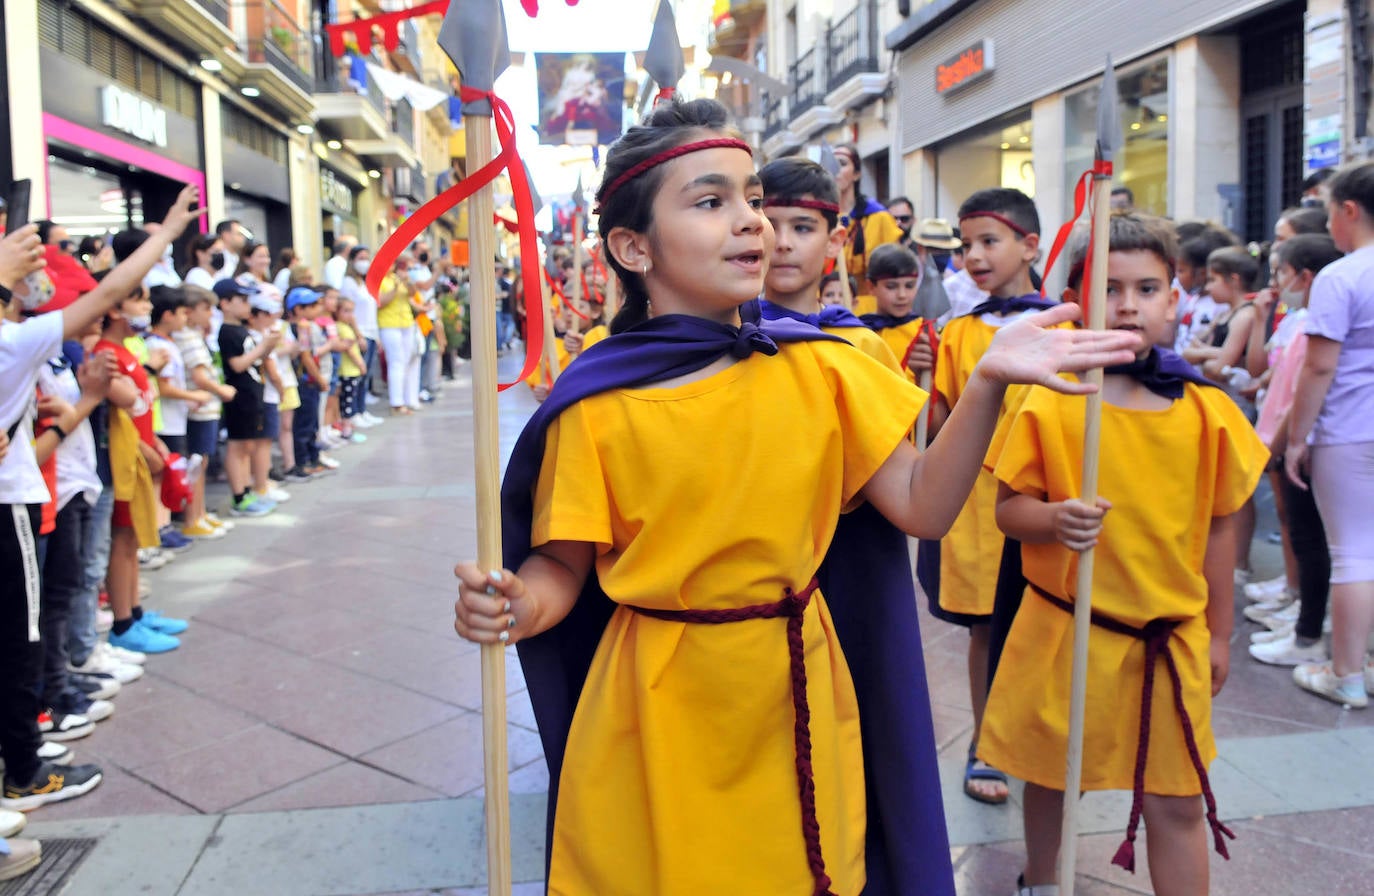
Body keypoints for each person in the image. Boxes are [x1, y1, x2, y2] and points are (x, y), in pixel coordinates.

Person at [450, 97, 1138, 896]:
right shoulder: (595, 401)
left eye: (751, 198)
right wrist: (516, 607)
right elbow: (560, 568)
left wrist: (985, 381)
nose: (752, 223)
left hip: (798, 689)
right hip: (653, 704)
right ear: (633, 246)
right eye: (712, 202)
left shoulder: (824, 368)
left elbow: (923, 507)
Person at [981, 211, 1267, 896]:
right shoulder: (1051, 402)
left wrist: (1221, 631)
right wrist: (1054, 518)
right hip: (1067, 633)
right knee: (1052, 779)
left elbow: (1225, 526)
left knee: (1178, 798)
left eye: (1146, 288)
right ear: (1079, 301)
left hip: (1167, 641)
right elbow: (1008, 511)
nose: (1128, 305)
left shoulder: (1207, 411)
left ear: (1176, 299)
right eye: (1108, 288)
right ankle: (1043, 881)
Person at [922, 187, 1059, 807]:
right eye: (966, 244)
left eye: (989, 241)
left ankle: (1042, 735)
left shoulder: (1066, 325)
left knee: (1048, 623)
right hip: (979, 508)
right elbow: (944, 421)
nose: (973, 255)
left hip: (1044, 505)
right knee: (985, 628)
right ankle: (985, 740)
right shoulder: (959, 333)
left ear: (1030, 245)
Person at [1286, 162, 1374, 708]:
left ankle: (1346, 673)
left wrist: (1297, 439)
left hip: (1349, 428)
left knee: (1353, 554)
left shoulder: (1342, 277)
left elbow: (1317, 369)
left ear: (1348, 210)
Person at [1248, 234, 1343, 666]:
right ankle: (1302, 613)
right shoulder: (1300, 322)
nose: (1275, 281)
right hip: (1283, 435)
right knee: (1299, 532)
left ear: (1305, 276)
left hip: (1296, 438)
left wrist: (1287, 439)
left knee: (1312, 538)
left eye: (1280, 272)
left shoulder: (1313, 327)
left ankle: (1309, 632)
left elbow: (1302, 387)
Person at [215, 279, 279, 517]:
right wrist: (263, 346)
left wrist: (268, 346)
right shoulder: (227, 333)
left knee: (248, 445)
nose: (247, 305)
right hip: (239, 396)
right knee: (238, 446)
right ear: (225, 304)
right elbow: (238, 365)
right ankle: (239, 495)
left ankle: (247, 490)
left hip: (253, 394)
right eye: (241, 300)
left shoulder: (241, 330)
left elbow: (256, 359)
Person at [174, 285, 234, 537]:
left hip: (205, 409)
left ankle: (199, 513)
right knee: (196, 465)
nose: (210, 313)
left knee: (202, 463)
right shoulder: (186, 337)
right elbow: (199, 375)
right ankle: (192, 517)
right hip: (199, 410)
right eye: (205, 308)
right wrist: (220, 390)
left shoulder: (193, 334)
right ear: (188, 311)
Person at [833, 144, 905, 313]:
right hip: (830, 305)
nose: (835, 171)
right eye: (831, 165)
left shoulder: (879, 217)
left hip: (871, 309)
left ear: (856, 174)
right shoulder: (820, 219)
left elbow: (894, 270)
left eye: (842, 164)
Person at [858, 243, 932, 382]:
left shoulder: (924, 333)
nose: (902, 295)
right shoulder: (860, 332)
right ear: (871, 286)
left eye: (909, 286)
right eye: (891, 287)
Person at [377, 251, 422, 414]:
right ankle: (396, 402)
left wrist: (408, 282)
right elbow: (381, 301)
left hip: (406, 323)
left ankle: (409, 398)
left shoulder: (398, 278)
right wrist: (396, 287)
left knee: (408, 360)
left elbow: (412, 294)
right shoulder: (380, 281)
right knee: (396, 362)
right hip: (389, 324)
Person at [341, 246, 381, 419]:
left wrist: (376, 335)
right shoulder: (348, 283)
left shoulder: (364, 283)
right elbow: (348, 312)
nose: (365, 262)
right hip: (360, 333)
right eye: (361, 258)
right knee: (358, 374)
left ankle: (362, 410)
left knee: (367, 374)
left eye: (367, 257)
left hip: (371, 332)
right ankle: (355, 412)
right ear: (352, 260)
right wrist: (358, 335)